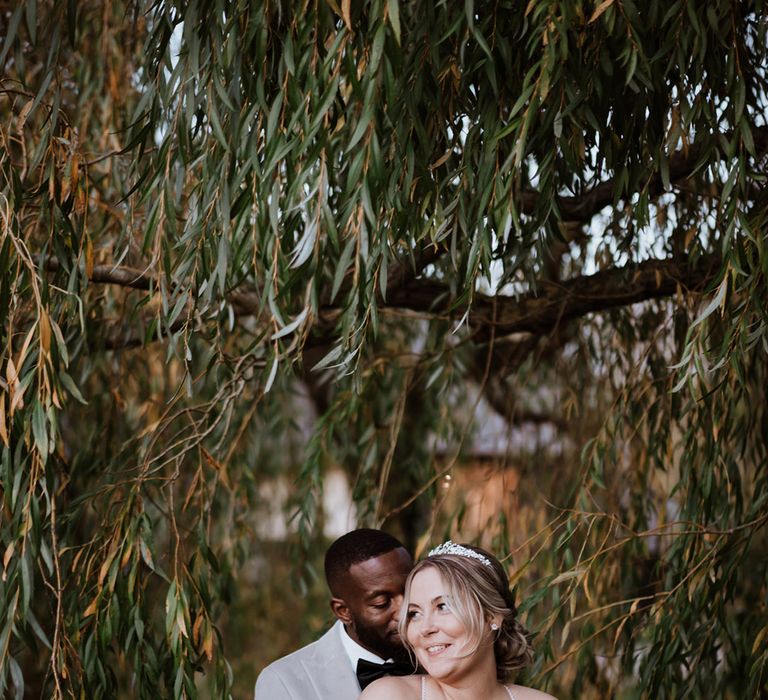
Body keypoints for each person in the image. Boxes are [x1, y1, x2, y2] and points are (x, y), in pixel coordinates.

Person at [360, 541, 557, 700]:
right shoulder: (389, 695)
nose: (425, 628)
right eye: (414, 614)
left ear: (492, 616)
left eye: (443, 606)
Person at [254, 528, 414, 700]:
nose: (405, 611)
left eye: (411, 591)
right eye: (381, 604)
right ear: (343, 611)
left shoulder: (439, 655)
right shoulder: (284, 682)